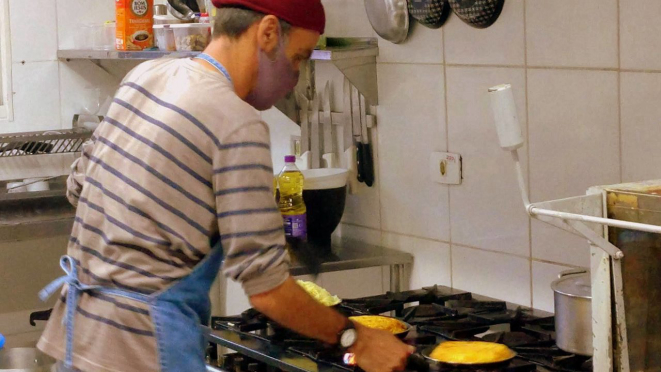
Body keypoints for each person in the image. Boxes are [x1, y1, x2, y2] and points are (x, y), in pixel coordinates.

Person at [36, 0, 413, 371]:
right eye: (298, 57)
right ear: (267, 33)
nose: (295, 76)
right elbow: (268, 292)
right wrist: (356, 338)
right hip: (144, 348)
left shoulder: (146, 76)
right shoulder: (236, 122)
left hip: (80, 335)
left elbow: (80, 188)